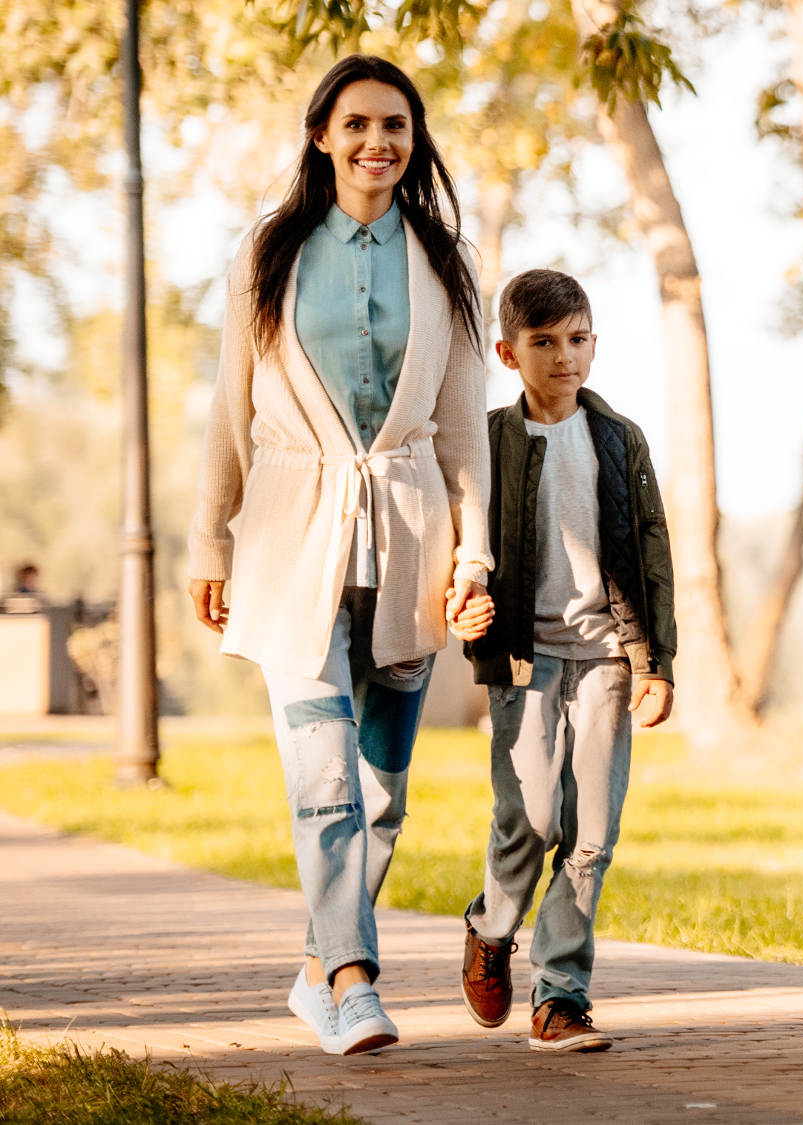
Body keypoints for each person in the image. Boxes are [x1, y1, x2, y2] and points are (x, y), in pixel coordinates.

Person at [186, 54, 493, 1056]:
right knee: (321, 769)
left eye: (396, 126)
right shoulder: (266, 252)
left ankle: (318, 966)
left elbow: (461, 433)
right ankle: (354, 980)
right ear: (321, 134)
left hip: (409, 543)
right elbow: (229, 409)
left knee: (382, 789)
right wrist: (208, 540)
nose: (377, 143)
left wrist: (474, 557)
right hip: (289, 537)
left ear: (415, 140)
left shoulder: (445, 262)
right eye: (357, 124)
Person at [455, 270, 676, 1053]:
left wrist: (658, 662)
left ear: (594, 344)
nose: (563, 357)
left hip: (607, 657)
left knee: (591, 832)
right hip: (523, 656)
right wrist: (464, 609)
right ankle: (491, 927)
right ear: (507, 352)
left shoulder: (619, 439)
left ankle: (560, 996)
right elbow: (462, 549)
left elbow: (651, 551)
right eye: (543, 343)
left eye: (576, 340)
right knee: (532, 816)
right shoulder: (485, 441)